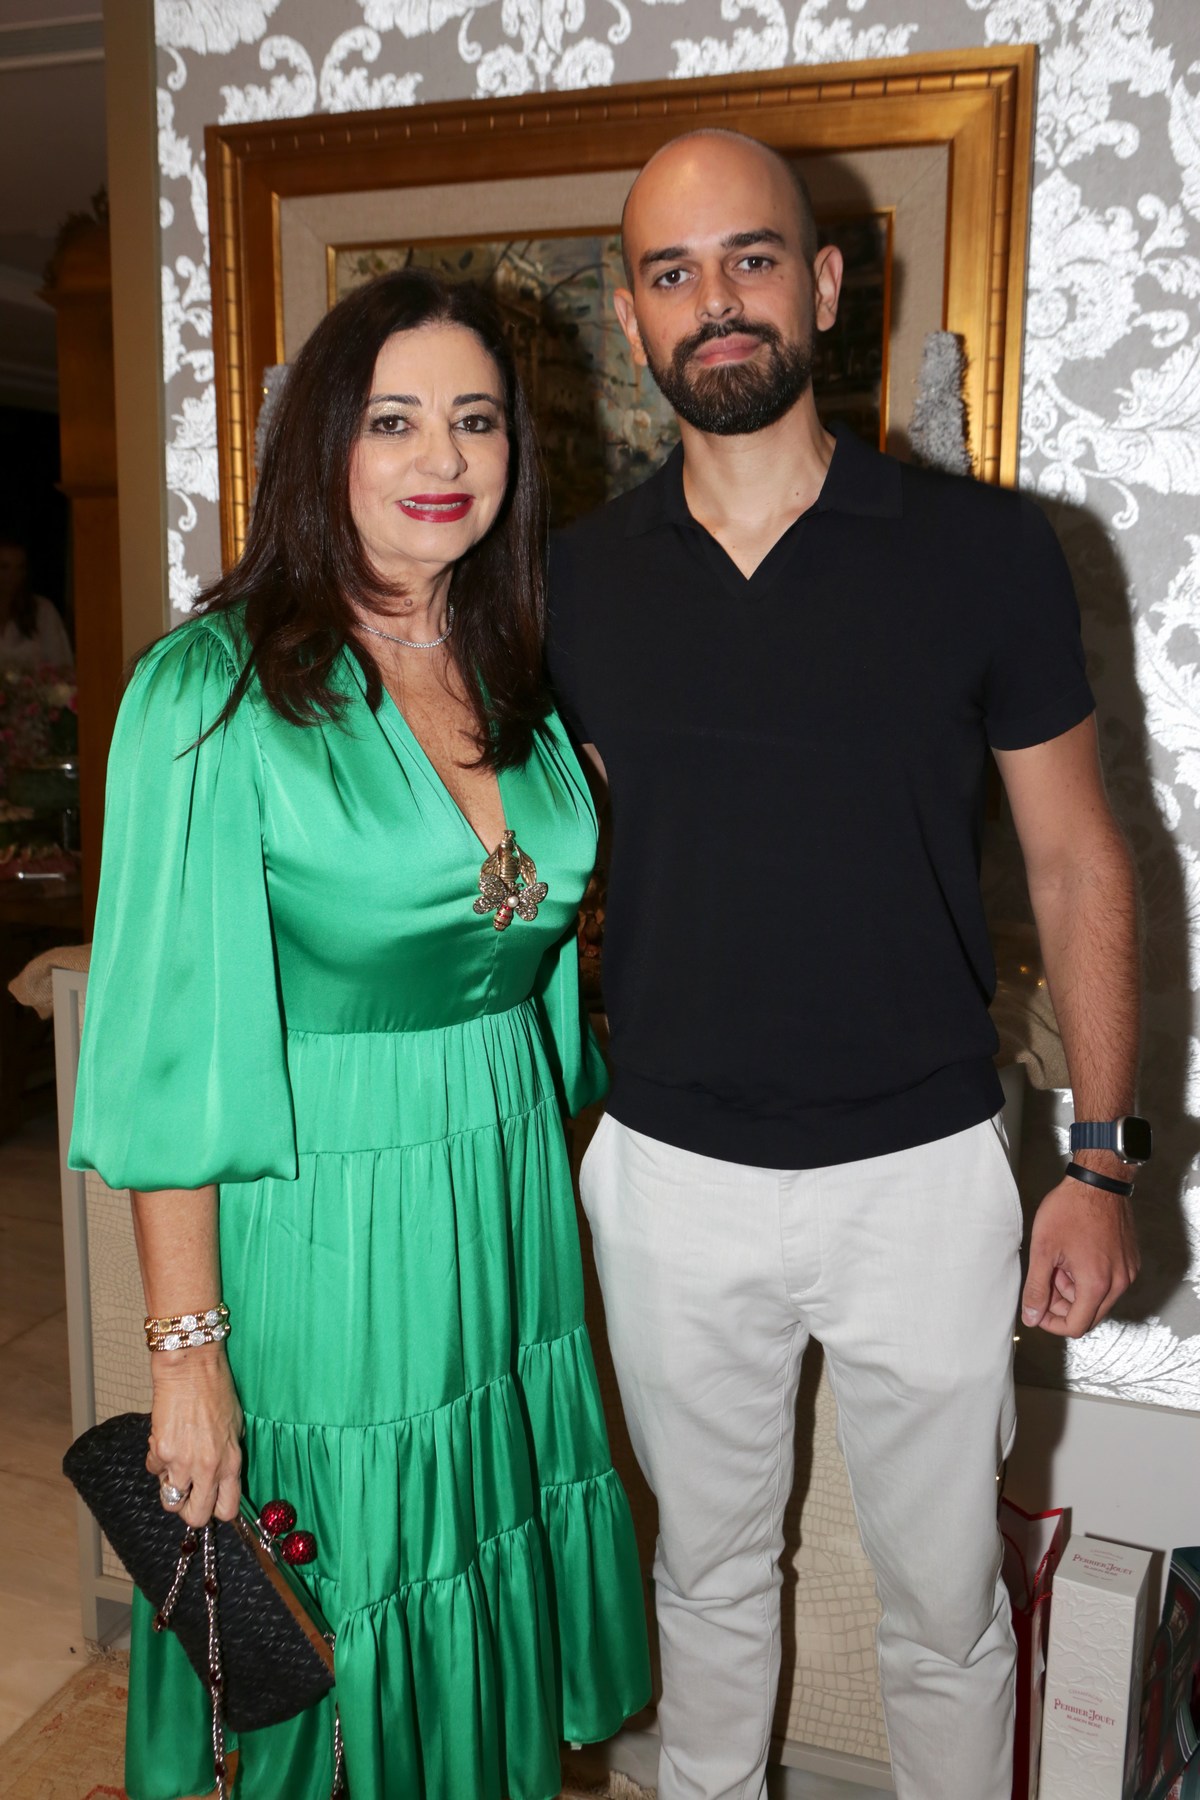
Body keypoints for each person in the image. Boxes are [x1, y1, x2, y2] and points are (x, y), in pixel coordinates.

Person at [546, 129, 1143, 1800]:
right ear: (631, 317)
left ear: (821, 285)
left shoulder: (989, 554)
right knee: (705, 1587)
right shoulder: (572, 584)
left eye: (750, 258)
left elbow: (1080, 859)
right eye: (672, 272)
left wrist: (1103, 1161)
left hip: (923, 1176)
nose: (716, 300)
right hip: (668, 1175)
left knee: (947, 1613)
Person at [69, 269, 650, 1800]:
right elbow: (174, 1062)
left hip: (500, 1219)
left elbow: (530, 979)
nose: (441, 458)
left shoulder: (518, 676)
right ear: (321, 446)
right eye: (393, 421)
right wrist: (187, 1360)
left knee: (471, 1580)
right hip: (323, 1234)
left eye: (476, 420)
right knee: (342, 1627)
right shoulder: (212, 695)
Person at [0, 533, 72, 669]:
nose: (12, 575)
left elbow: (62, 665)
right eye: (4, 567)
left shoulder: (43, 611)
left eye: (19, 567)